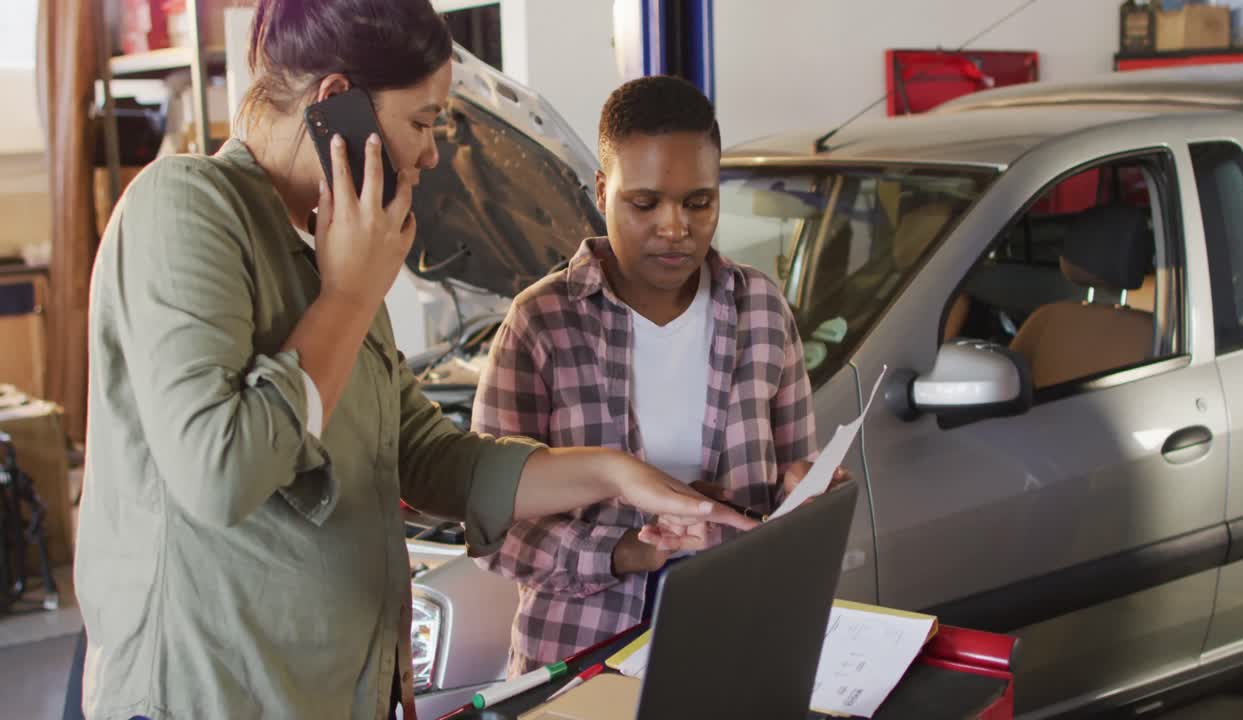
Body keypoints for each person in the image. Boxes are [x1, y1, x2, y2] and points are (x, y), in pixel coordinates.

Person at [73, 3, 752, 719]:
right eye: (424, 122)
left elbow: (428, 456)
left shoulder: (323, 252)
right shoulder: (186, 207)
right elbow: (220, 471)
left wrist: (619, 476)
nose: (431, 155)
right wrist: (347, 295)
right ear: (337, 106)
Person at [473, 76, 843, 676]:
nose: (675, 227)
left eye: (699, 202)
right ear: (601, 191)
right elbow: (492, 524)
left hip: (737, 642)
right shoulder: (540, 325)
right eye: (644, 204)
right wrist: (627, 552)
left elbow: (793, 478)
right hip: (581, 656)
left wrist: (811, 496)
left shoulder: (761, 311)